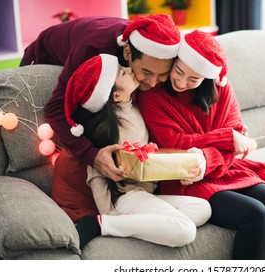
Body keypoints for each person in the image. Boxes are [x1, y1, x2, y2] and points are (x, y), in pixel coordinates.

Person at [137, 30, 265, 259]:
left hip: (224, 168)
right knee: (255, 214)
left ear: (207, 77)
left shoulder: (221, 87)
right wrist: (225, 138)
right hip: (185, 177)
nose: (182, 82)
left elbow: (238, 139)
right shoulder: (152, 95)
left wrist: (212, 154)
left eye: (193, 79)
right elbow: (174, 143)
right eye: (179, 71)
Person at [24, 14, 181, 248]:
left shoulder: (153, 58)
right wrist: (93, 155)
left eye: (163, 75)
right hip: (42, 53)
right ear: (127, 54)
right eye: (146, 73)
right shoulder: (94, 49)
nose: (153, 83)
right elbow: (56, 109)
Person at [55, 53, 211, 247]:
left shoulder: (135, 106)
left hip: (144, 193)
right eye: (122, 72)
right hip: (124, 197)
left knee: (202, 208)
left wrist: (151, 153)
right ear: (116, 95)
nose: (130, 69)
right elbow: (95, 171)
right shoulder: (106, 128)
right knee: (185, 231)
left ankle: (137, 224)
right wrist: (107, 211)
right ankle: (104, 224)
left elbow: (141, 150)